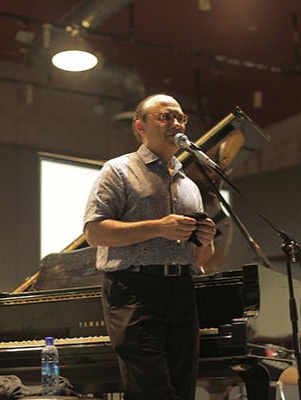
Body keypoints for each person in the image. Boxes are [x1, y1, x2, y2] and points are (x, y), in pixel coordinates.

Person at [83, 94, 216, 400]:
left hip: (181, 289)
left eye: (180, 118)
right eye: (165, 117)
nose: (176, 124)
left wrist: (205, 242)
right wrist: (157, 227)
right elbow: (94, 232)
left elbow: (200, 259)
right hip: (134, 290)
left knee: (183, 390)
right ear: (140, 127)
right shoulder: (118, 171)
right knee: (152, 391)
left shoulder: (190, 186)